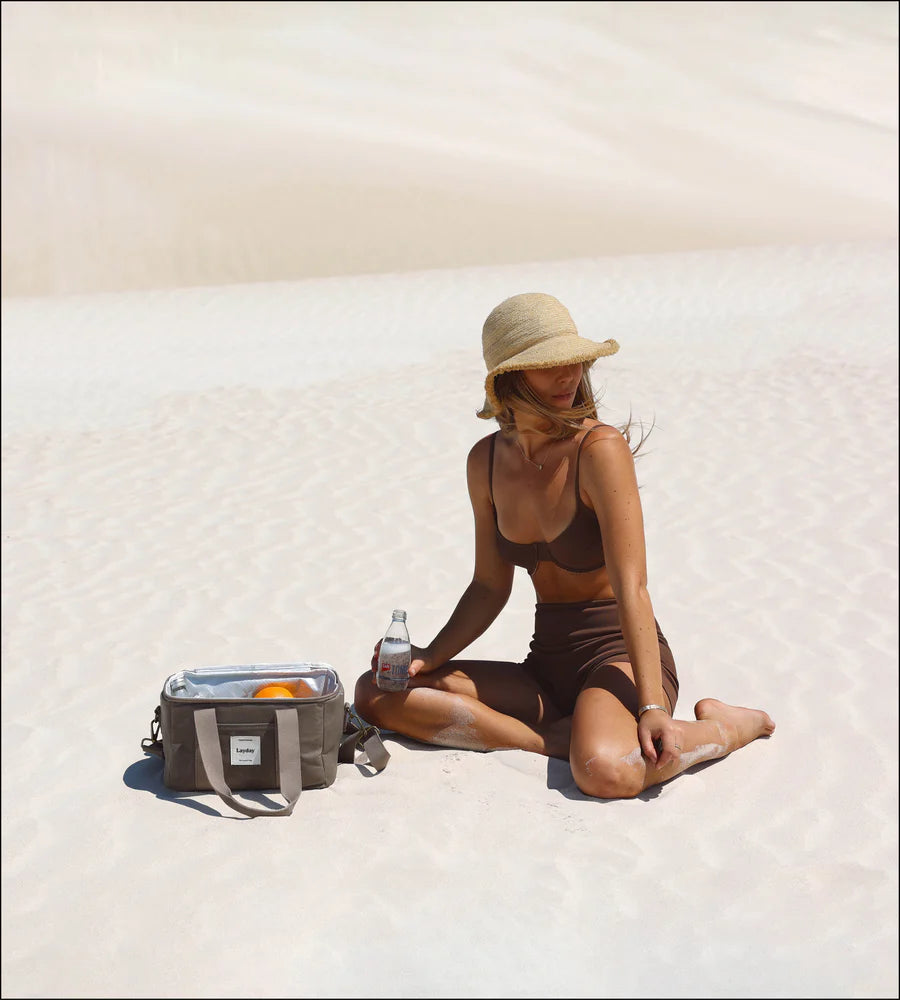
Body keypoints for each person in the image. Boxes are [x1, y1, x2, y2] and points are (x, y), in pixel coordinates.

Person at [354, 292, 775, 799]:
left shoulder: (598, 449)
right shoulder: (485, 462)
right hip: (546, 666)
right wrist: (429, 656)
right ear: (510, 377)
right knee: (376, 692)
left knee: (605, 773)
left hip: (616, 656)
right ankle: (548, 738)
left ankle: (727, 727)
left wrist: (651, 706)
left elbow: (633, 586)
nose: (569, 376)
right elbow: (489, 586)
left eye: (575, 361)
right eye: (549, 365)